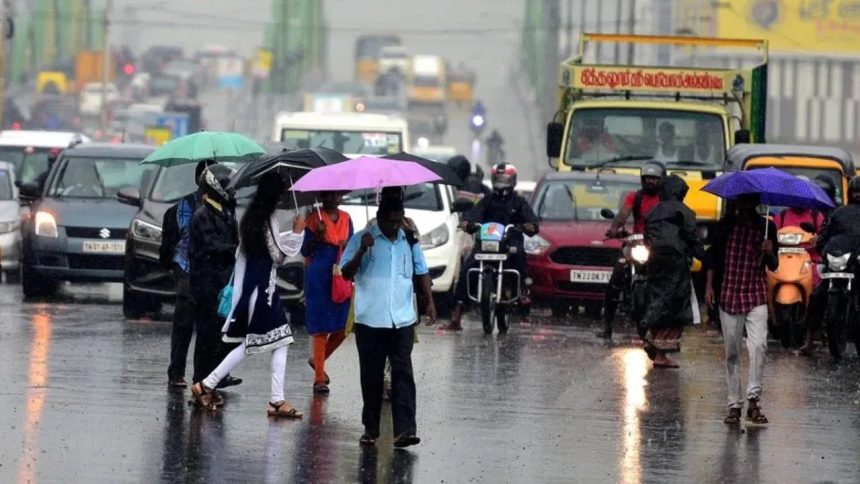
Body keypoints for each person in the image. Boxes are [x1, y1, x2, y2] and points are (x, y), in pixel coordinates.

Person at [192, 173, 307, 417]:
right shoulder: (265, 219)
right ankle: (208, 384)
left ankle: (273, 398)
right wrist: (297, 233)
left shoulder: (254, 218)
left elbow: (270, 246)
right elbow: (277, 255)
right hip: (261, 292)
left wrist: (290, 234)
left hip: (261, 289)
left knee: (274, 341)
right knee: (261, 342)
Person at [340, 196, 436, 447]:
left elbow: (421, 270)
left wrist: (430, 302)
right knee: (371, 377)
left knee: (403, 373)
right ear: (380, 217)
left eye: (398, 220)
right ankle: (371, 429)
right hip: (370, 320)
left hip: (402, 319)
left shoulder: (410, 239)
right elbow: (345, 273)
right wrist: (362, 250)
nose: (395, 226)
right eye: (390, 221)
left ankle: (404, 430)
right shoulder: (363, 237)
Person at [705, 194, 778, 425]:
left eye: (748, 203)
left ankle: (754, 401)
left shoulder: (768, 227)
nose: (744, 208)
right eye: (741, 203)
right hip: (729, 294)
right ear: (736, 204)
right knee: (732, 352)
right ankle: (734, 404)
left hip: (755, 293)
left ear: (754, 204)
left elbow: (774, 265)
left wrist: (769, 251)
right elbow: (713, 258)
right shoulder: (725, 226)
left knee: (758, 346)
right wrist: (709, 287)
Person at [444, 163, 539, 330]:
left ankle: (522, 295)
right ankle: (457, 315)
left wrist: (528, 226)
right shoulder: (486, 200)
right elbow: (473, 215)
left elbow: (532, 221)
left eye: (505, 179)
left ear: (513, 180)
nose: (501, 183)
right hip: (486, 244)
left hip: (510, 242)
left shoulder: (519, 202)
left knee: (519, 257)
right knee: (467, 269)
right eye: (498, 179)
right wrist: (468, 223)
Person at [598, 160, 666, 339]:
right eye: (647, 178)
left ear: (661, 180)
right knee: (616, 277)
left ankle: (667, 327)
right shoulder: (635, 197)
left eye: (654, 178)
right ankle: (607, 325)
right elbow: (622, 215)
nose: (650, 181)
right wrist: (614, 229)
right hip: (636, 244)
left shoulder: (666, 199)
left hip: (658, 247)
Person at [189, 164, 240, 402]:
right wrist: (235, 249)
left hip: (222, 284)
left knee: (222, 335)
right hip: (207, 285)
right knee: (207, 337)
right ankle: (200, 383)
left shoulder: (225, 213)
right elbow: (211, 247)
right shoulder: (203, 215)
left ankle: (214, 380)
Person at [641, 175, 704, 368]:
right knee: (676, 308)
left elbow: (647, 238)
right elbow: (693, 239)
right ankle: (660, 353)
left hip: (655, 263)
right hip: (677, 265)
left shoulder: (652, 212)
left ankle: (651, 337)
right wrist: (704, 256)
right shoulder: (685, 212)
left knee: (659, 301)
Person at [167, 159, 214, 387]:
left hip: (210, 272)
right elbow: (188, 233)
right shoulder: (187, 204)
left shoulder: (224, 204)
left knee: (208, 326)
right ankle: (176, 373)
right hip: (187, 268)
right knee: (184, 324)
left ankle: (204, 376)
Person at [802, 175, 860, 355]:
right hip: (838, 264)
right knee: (818, 295)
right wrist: (820, 242)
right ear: (850, 193)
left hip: (858, 263)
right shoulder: (838, 213)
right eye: (855, 191)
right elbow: (826, 233)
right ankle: (810, 341)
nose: (857, 195)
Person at [302, 191, 353, 394]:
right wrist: (317, 236)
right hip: (319, 276)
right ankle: (319, 378)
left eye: (336, 195)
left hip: (340, 273)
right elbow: (305, 250)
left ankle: (317, 360)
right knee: (321, 328)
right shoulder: (314, 219)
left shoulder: (347, 218)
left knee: (343, 327)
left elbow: (353, 245)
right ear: (322, 196)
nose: (333, 198)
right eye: (329, 195)